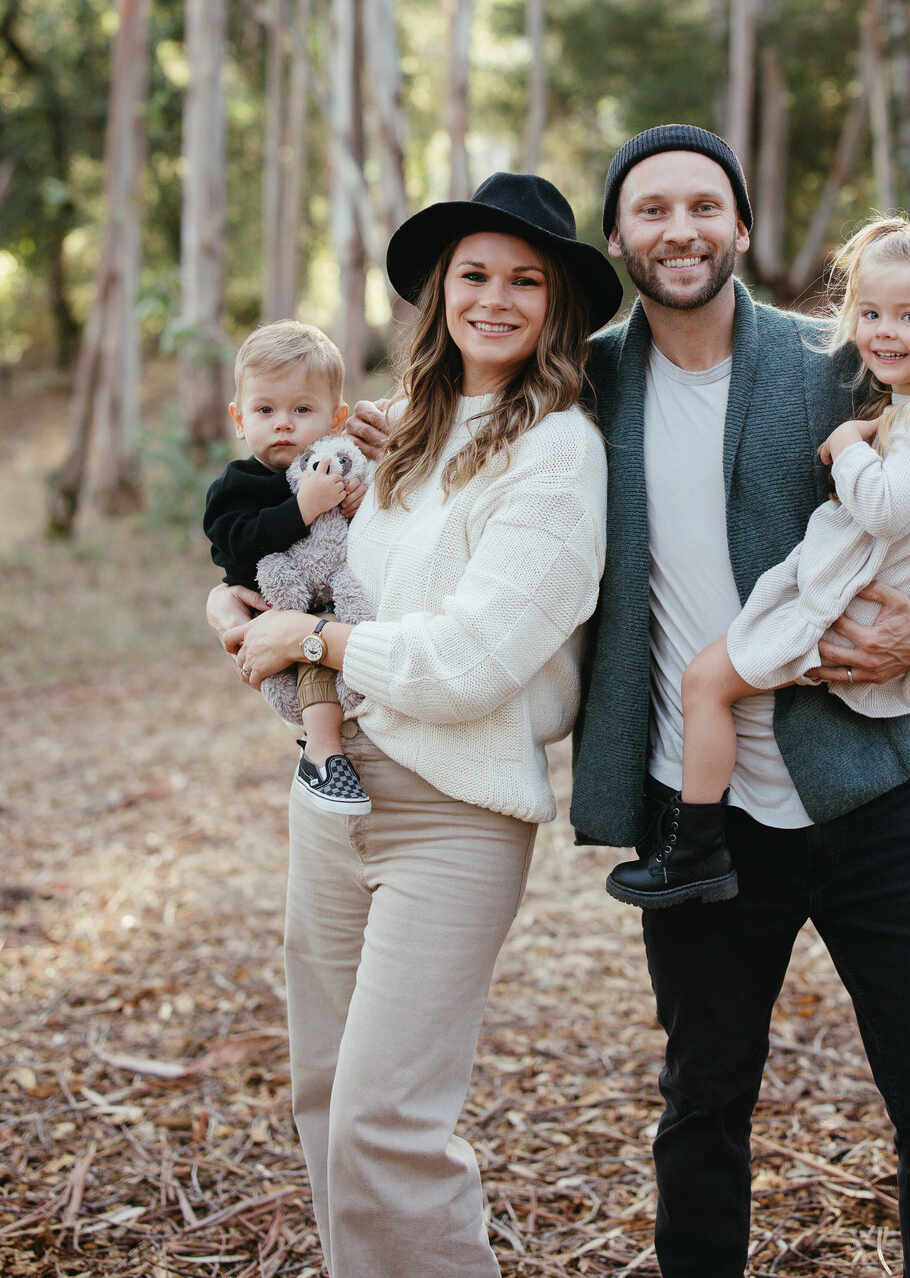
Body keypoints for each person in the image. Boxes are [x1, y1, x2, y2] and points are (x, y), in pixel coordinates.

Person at [564, 124, 910, 1278]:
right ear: (618, 236)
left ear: (743, 229)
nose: (680, 229)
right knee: (702, 1107)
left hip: (876, 797)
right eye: (650, 209)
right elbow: (462, 440)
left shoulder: (843, 360)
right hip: (700, 821)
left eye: (703, 205)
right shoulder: (590, 385)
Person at [206, 172, 623, 1278]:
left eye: (524, 281)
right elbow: (317, 576)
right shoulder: (402, 435)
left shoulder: (560, 453)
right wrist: (238, 606)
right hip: (331, 795)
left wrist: (308, 646)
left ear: (556, 307)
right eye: (474, 275)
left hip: (454, 813)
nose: (495, 298)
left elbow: (472, 661)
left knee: (386, 1127)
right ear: (438, 292)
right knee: (324, 1097)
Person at [606, 213, 910, 908]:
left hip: (840, 635)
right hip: (839, 615)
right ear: (617, 235)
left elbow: (902, 518)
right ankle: (703, 839)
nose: (883, 331)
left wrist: (848, 446)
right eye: (872, 312)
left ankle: (693, 848)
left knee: (706, 682)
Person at [203, 320, 371, 814]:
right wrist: (303, 508)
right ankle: (322, 754)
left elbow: (351, 537)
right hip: (279, 610)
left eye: (302, 409)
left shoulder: (333, 465)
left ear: (335, 419)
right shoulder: (236, 485)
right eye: (265, 409)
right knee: (312, 659)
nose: (283, 423)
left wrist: (354, 502)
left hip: (331, 599)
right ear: (238, 419)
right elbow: (238, 547)